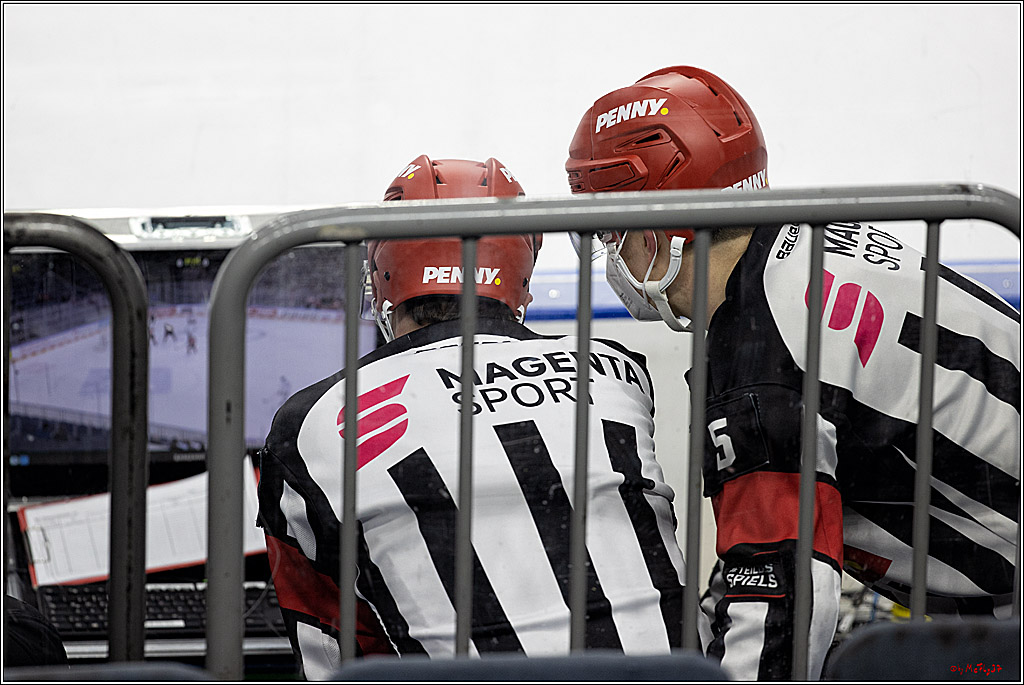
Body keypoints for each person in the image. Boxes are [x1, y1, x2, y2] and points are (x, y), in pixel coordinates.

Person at [565, 66, 1020, 680]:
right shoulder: (812, 238)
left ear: (657, 223)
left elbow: (777, 604)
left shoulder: (760, 354)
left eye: (607, 224)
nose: (607, 247)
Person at [257, 155, 687, 679]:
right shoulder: (619, 371)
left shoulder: (308, 424)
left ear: (383, 274)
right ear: (520, 273)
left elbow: (331, 648)